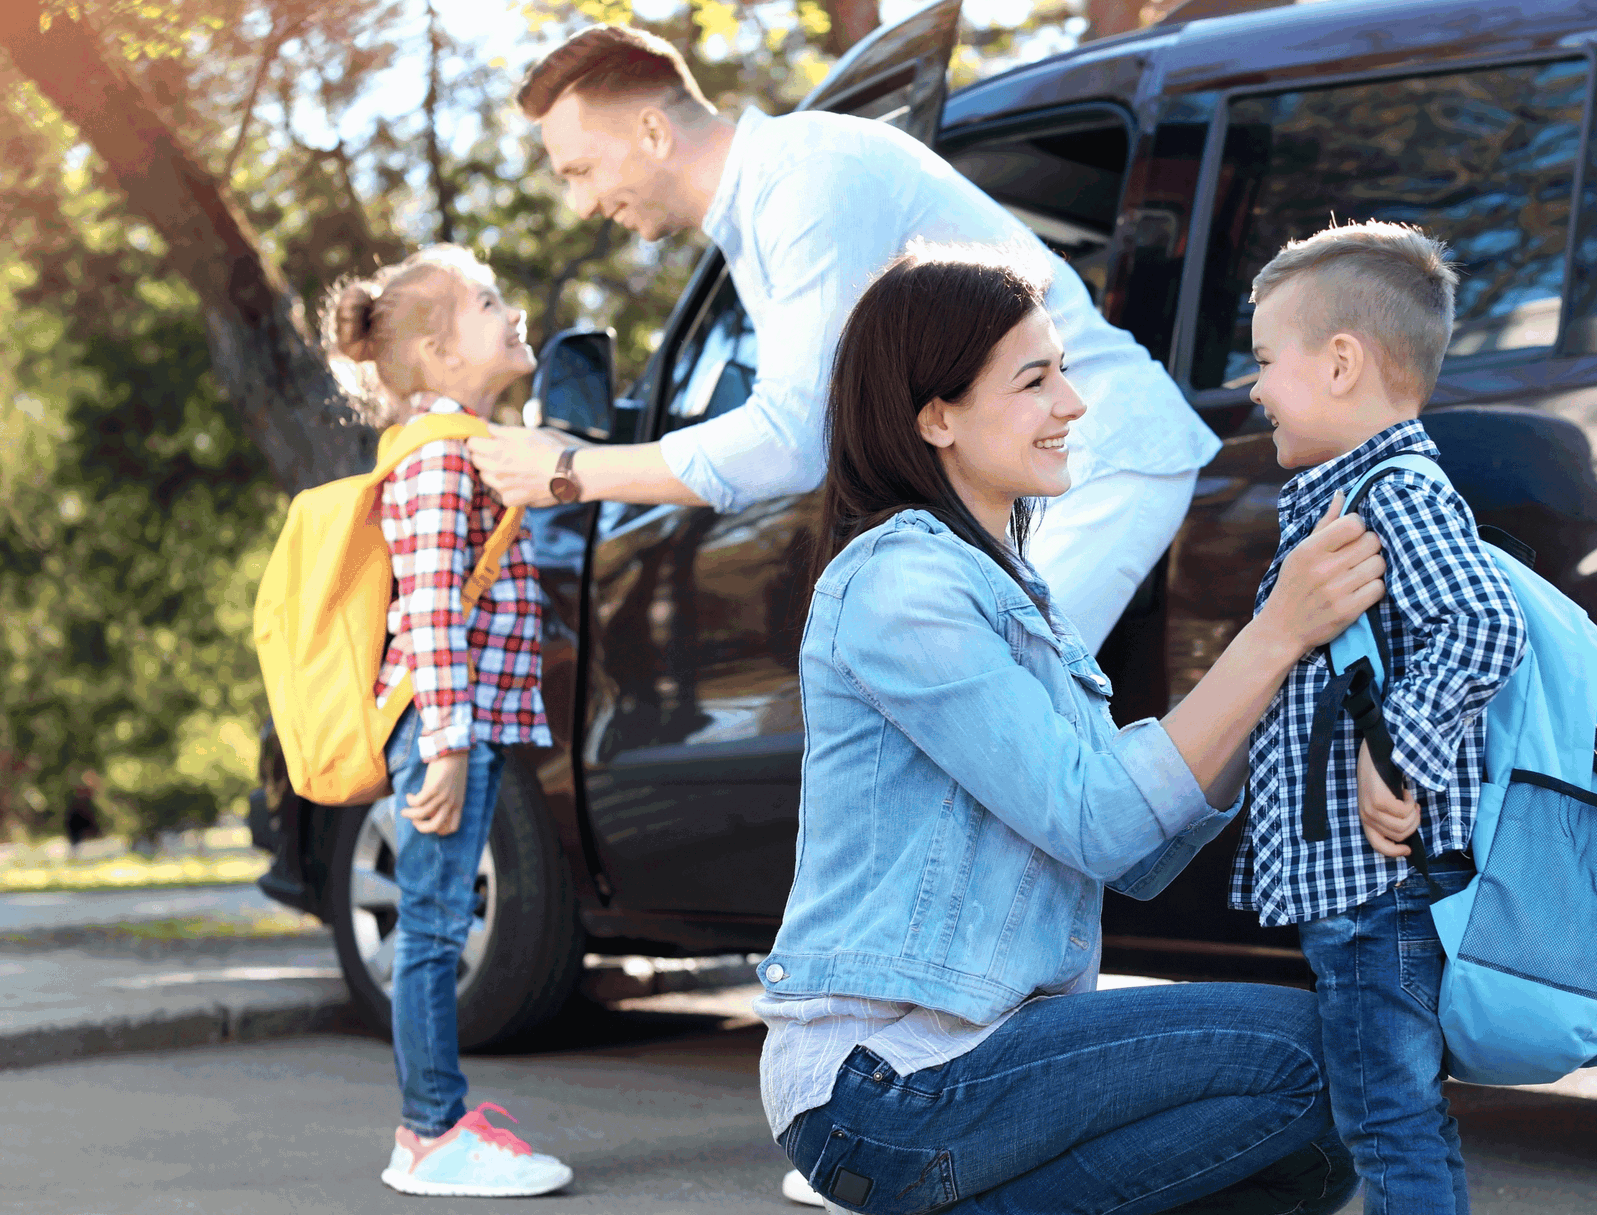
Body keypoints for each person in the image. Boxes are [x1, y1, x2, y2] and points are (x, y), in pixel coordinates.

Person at [760, 241, 1383, 1214]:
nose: (1072, 404)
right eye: (1035, 378)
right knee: (1324, 1052)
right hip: (888, 1082)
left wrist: (1296, 681)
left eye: (1065, 371)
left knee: (1313, 1145)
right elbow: (1102, 820)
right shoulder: (899, 582)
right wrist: (1271, 636)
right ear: (937, 417)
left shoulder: (1015, 594)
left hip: (973, 1059)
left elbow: (1134, 856)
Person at [468, 24, 1221, 648]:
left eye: (581, 169)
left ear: (654, 131)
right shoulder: (763, 208)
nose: (583, 204)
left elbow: (792, 439)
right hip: (1028, 485)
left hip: (1096, 462)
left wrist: (570, 469)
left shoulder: (807, 181)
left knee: (997, 748)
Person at [1233, 222, 1528, 1215]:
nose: (1255, 387)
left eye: (1267, 361)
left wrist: (1393, 752)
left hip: (1378, 891)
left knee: (1388, 1116)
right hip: (1357, 890)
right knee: (1377, 1108)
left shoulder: (1394, 492)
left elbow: (1484, 624)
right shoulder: (1348, 500)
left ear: (1342, 361)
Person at [320, 245, 574, 1199]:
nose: (513, 312)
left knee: (435, 917)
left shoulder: (467, 442)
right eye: (488, 300)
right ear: (436, 348)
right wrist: (453, 742)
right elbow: (429, 604)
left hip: (456, 719)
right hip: (440, 723)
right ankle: (428, 1135)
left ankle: (438, 1123)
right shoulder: (435, 458)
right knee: (431, 926)